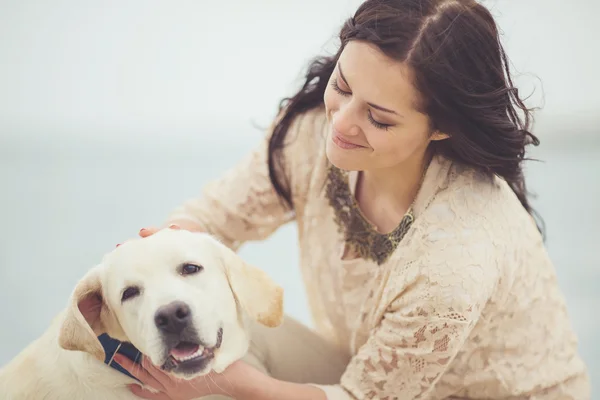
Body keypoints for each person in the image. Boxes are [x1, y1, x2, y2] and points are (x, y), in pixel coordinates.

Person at [111, 0, 591, 398]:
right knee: (181, 335)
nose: (339, 124)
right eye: (341, 86)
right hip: (356, 373)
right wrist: (155, 259)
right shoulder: (311, 135)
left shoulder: (456, 256)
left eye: (378, 118)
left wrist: (232, 384)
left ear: (442, 127)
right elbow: (215, 219)